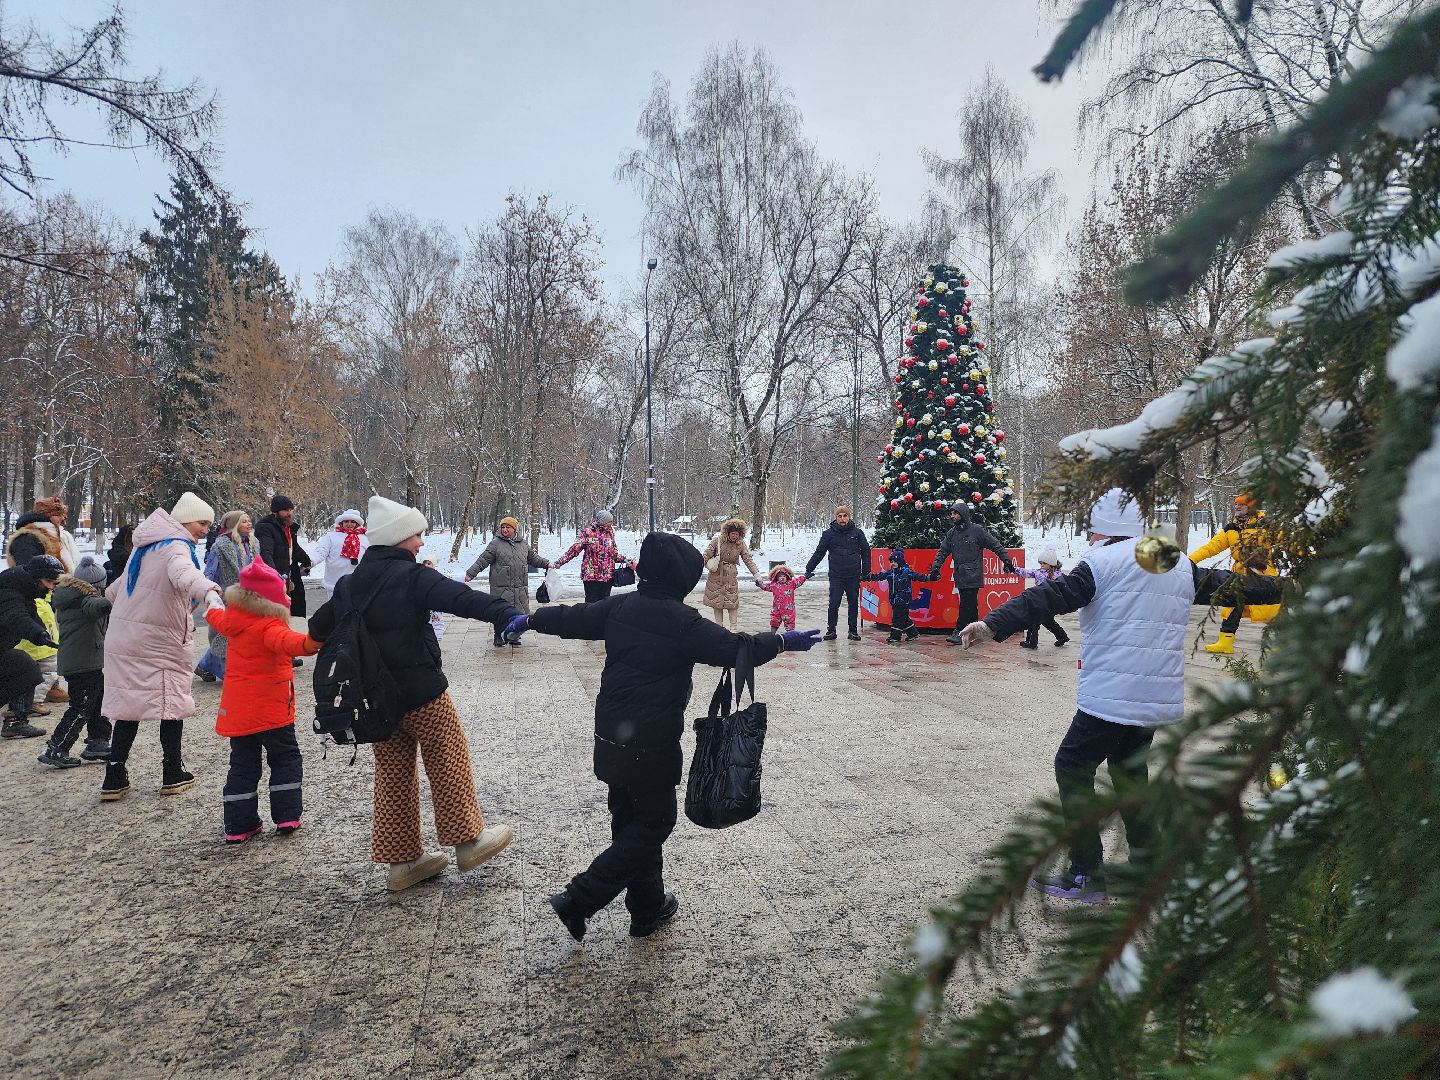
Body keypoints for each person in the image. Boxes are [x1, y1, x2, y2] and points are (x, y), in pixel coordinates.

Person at [958, 488, 1284, 903]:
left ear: (1105, 529)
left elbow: (1047, 597)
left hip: (1113, 693)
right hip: (1154, 694)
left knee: (1072, 765)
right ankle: (1148, 866)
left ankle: (1085, 873)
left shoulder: (1103, 563)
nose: (1090, 537)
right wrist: (1290, 586)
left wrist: (991, 624)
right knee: (1130, 773)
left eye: (1092, 530)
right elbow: (1233, 585)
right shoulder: (1173, 561)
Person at [513, 531, 821, 941]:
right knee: (654, 824)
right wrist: (781, 640)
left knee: (631, 821)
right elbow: (735, 648)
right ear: (679, 578)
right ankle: (579, 898)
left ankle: (647, 907)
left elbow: (572, 618)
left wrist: (532, 619)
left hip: (610, 735)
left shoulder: (621, 606)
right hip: (650, 743)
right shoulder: (682, 622)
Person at [307, 495, 518, 892]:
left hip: (376, 701)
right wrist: (505, 613)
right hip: (422, 693)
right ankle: (468, 842)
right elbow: (462, 599)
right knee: (447, 756)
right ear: (399, 537)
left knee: (392, 774)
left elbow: (317, 630)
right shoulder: (413, 577)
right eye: (417, 535)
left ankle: (402, 863)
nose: (421, 542)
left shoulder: (350, 584)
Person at [99, 492, 223, 802]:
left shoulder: (147, 547)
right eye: (202, 523)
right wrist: (209, 592)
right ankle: (172, 772)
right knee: (171, 704)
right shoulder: (175, 546)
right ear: (185, 520)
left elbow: (115, 591)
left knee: (129, 706)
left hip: (127, 637)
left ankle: (114, 775)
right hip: (158, 641)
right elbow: (184, 574)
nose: (205, 530)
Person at [206, 559, 320, 844]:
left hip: (240, 712)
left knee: (242, 766)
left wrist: (211, 602)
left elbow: (216, 616)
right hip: (272, 711)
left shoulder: (233, 620)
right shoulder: (269, 625)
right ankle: (286, 815)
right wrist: (315, 640)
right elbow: (294, 644)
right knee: (285, 759)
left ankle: (238, 825)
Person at [38, 555, 113, 768]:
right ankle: (56, 747)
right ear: (96, 586)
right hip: (82, 665)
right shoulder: (84, 599)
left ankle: (98, 741)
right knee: (81, 706)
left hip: (84, 662)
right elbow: (96, 606)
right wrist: (112, 600)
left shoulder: (72, 597)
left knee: (97, 700)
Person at [1188, 493, 1282, 655]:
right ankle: (1225, 642)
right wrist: (1188, 561)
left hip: (1264, 573)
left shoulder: (1265, 525)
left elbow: (1288, 541)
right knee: (1233, 607)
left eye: (1241, 504)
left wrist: (1310, 555)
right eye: (1236, 504)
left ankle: (1281, 643)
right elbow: (1210, 548)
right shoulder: (1231, 528)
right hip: (1240, 575)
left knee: (1272, 608)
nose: (1237, 507)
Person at [929, 502, 1017, 646]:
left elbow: (995, 545)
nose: (952, 516)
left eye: (955, 513)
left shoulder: (977, 531)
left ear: (963, 514)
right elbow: (942, 551)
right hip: (960, 575)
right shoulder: (952, 533)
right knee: (970, 605)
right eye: (951, 513)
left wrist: (1007, 561)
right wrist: (935, 568)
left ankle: (960, 631)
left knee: (966, 604)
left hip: (973, 574)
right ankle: (975, 631)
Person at [464, 515, 551, 646]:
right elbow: (483, 560)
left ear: (514, 529)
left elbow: (533, 558)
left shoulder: (523, 544)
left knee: (520, 612)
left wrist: (547, 564)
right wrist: (471, 574)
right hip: (501, 587)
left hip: (520, 587)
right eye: (503, 527)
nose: (505, 530)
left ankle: (513, 636)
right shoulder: (495, 544)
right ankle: (498, 635)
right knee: (500, 612)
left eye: (508, 527)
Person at [0, 556, 60, 739]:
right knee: (24, 666)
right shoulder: (9, 592)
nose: (52, 587)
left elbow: (30, 616)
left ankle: (15, 722)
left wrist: (43, 634)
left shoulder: (22, 588)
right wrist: (38, 634)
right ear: (37, 579)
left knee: (25, 666)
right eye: (49, 582)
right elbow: (17, 617)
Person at [196, 510, 259, 682]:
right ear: (234, 525)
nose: (249, 523)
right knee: (226, 634)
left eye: (249, 520)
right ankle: (224, 670)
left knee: (240, 633)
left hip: (248, 595)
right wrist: (210, 592)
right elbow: (210, 571)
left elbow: (258, 567)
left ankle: (207, 665)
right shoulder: (220, 546)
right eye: (244, 521)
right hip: (227, 595)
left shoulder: (254, 543)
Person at [804, 506, 872, 641]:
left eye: (845, 516)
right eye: (839, 516)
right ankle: (831, 630)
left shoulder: (858, 533)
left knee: (853, 603)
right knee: (834, 603)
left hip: (853, 575)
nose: (842, 519)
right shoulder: (828, 534)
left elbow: (866, 552)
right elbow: (819, 552)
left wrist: (866, 571)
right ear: (836, 518)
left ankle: (853, 630)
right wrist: (809, 568)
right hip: (836, 575)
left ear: (849, 517)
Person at [255, 494, 313, 625]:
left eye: (291, 510)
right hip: (278, 573)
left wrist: (306, 561)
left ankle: (296, 633)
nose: (289, 513)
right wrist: (274, 576)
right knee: (278, 612)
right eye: (285, 510)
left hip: (292, 572)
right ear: (276, 512)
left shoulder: (289, 527)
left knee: (297, 610)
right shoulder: (265, 527)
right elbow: (266, 553)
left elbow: (293, 547)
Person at [862, 548, 936, 644]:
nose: (893, 564)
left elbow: (919, 576)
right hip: (894, 600)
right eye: (891, 562)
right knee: (903, 617)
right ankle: (913, 633)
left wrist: (930, 577)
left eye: (895, 562)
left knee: (897, 618)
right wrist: (868, 577)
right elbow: (879, 576)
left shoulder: (907, 571)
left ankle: (895, 636)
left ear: (900, 561)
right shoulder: (890, 573)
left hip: (904, 600)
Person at [554, 510, 629, 603]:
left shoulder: (610, 534)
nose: (611, 524)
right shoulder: (588, 532)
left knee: (605, 605)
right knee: (591, 605)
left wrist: (625, 560)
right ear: (602, 521)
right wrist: (560, 562)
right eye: (609, 521)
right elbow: (574, 549)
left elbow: (613, 554)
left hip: (607, 577)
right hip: (591, 577)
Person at [702, 517, 760, 630]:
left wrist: (756, 574)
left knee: (732, 603)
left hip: (731, 577)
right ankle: (719, 629)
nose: (735, 536)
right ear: (727, 532)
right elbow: (706, 556)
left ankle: (734, 629)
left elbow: (747, 559)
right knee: (717, 604)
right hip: (716, 577)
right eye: (733, 533)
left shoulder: (741, 544)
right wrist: (695, 569)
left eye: (737, 534)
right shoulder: (717, 541)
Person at [7, 495, 82, 572]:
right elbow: (29, 572)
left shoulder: (61, 535)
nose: (62, 518)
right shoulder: (27, 538)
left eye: (62, 515)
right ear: (45, 515)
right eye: (57, 515)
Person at [1015, 548, 1070, 649]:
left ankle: (1032, 642)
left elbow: (1064, 587)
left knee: (1034, 621)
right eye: (1040, 563)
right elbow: (1026, 572)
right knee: (1048, 621)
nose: (1042, 565)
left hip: (1048, 602)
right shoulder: (1039, 572)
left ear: (1051, 564)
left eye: (1044, 563)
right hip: (1041, 601)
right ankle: (1062, 636)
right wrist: (1014, 569)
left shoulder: (1058, 575)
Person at [311, 509, 368, 597]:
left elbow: (372, 556)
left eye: (352, 522)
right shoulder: (331, 536)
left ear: (357, 523)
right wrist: (311, 561)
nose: (349, 524)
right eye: (346, 521)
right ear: (341, 522)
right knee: (334, 606)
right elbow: (321, 552)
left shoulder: (365, 538)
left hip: (357, 582)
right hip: (334, 582)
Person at [756, 565, 806, 632]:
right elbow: (765, 586)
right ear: (776, 578)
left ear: (787, 577)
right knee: (774, 621)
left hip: (788, 609)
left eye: (784, 576)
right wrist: (759, 584)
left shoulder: (791, 584)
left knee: (790, 622)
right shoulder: (774, 585)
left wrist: (805, 577)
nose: (782, 578)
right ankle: (772, 634)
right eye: (780, 576)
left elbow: (798, 581)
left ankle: (790, 634)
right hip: (777, 609)